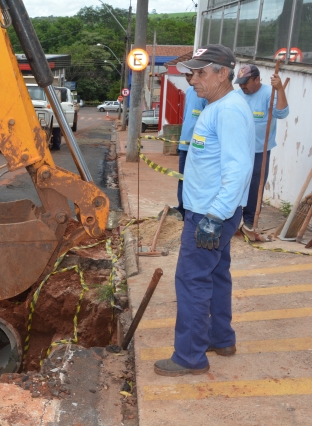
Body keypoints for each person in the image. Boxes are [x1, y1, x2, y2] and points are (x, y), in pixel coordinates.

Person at [154, 45, 255, 376]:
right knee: (215, 275)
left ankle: (189, 356)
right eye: (191, 73)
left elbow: (238, 169)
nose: (192, 80)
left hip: (212, 215)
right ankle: (220, 338)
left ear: (222, 73)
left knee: (191, 281)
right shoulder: (217, 106)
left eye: (200, 73)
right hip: (213, 212)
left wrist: (214, 216)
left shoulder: (228, 111)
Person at [235, 64, 289, 239]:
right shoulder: (236, 96)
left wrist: (280, 89)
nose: (242, 86)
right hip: (238, 150)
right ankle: (232, 220)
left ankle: (249, 221)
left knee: (254, 188)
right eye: (240, 82)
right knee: (235, 184)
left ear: (257, 80)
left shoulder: (268, 93)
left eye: (246, 82)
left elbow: (281, 113)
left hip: (260, 151)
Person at [176, 72, 208, 220]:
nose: (189, 79)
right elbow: (186, 117)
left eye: (191, 74)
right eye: (186, 75)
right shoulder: (189, 92)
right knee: (182, 178)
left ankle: (192, 210)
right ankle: (182, 208)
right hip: (184, 144)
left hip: (198, 147)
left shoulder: (205, 95)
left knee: (196, 180)